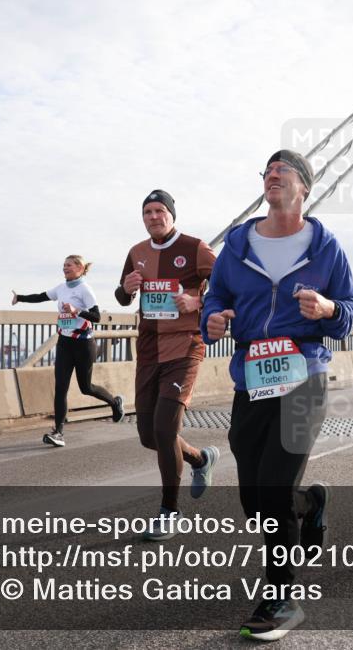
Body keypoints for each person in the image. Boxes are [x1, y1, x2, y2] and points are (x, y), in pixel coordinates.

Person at [201, 150, 353, 641]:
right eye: (267, 172)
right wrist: (213, 318)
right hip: (252, 379)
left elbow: (349, 311)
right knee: (254, 496)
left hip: (303, 376)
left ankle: (281, 599)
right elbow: (216, 297)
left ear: (304, 188)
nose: (271, 176)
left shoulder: (325, 247)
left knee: (271, 491)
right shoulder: (238, 244)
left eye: (282, 171)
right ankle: (310, 506)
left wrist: (328, 307)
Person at [115, 189, 220, 541]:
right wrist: (126, 289)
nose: (154, 217)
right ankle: (200, 460)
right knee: (150, 437)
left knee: (164, 428)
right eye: (147, 212)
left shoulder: (195, 248)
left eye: (160, 211)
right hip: (148, 351)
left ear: (172, 215)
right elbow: (121, 294)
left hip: (185, 348)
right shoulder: (136, 253)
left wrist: (197, 300)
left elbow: (226, 285)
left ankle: (169, 512)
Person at [12, 255, 124, 447]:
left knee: (85, 387)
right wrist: (20, 298)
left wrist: (76, 311)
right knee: (60, 387)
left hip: (83, 344)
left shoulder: (85, 289)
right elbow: (41, 296)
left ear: (80, 268)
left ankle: (115, 403)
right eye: (63, 265)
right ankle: (58, 432)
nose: (65, 268)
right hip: (64, 342)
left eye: (69, 265)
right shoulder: (61, 288)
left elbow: (97, 317)